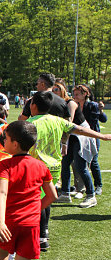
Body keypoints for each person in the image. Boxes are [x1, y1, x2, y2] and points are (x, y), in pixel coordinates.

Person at [27, 91, 111, 251]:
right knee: (46, 199)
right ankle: (44, 234)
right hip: (54, 169)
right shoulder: (58, 121)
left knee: (36, 201)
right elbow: (79, 128)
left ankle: (37, 235)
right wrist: (102, 136)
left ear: (33, 106)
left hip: (35, 168)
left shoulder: (30, 123)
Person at [0, 120, 58, 260]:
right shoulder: (41, 166)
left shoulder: (5, 164)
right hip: (31, 225)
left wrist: (0, 221)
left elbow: (1, 192)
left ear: (15, 143)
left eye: (6, 138)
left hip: (9, 222)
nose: (3, 140)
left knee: (2, 255)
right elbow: (52, 196)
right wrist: (35, 209)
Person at [55, 83, 97, 205]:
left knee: (80, 166)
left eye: (56, 90)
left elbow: (69, 124)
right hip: (72, 135)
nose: (54, 92)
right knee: (65, 163)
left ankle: (91, 195)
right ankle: (65, 193)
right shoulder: (60, 104)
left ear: (62, 91)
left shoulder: (71, 103)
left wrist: (63, 143)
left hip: (81, 135)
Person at [78, 84, 107, 196]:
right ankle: (81, 187)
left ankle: (98, 185)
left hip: (93, 136)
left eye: (77, 93)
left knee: (93, 162)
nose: (74, 95)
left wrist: (101, 110)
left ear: (85, 94)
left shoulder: (92, 105)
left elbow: (102, 120)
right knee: (79, 162)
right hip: (80, 136)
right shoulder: (74, 105)